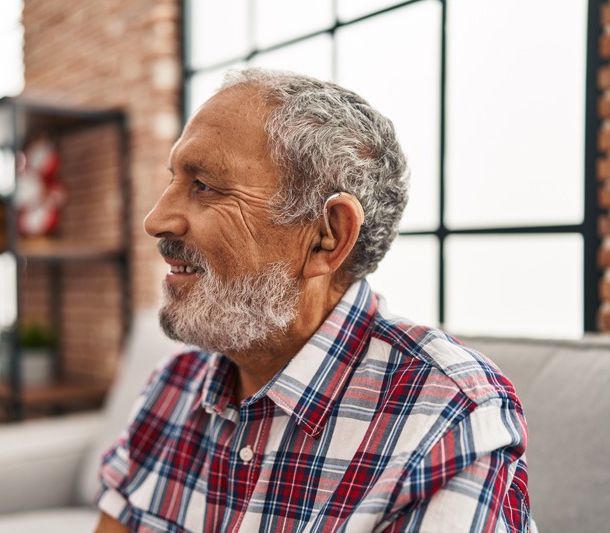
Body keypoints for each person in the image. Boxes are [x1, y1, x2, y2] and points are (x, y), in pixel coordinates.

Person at [95, 68, 531, 532]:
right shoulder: (172, 385)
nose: (156, 219)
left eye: (204, 185)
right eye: (173, 179)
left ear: (328, 236)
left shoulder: (448, 418)